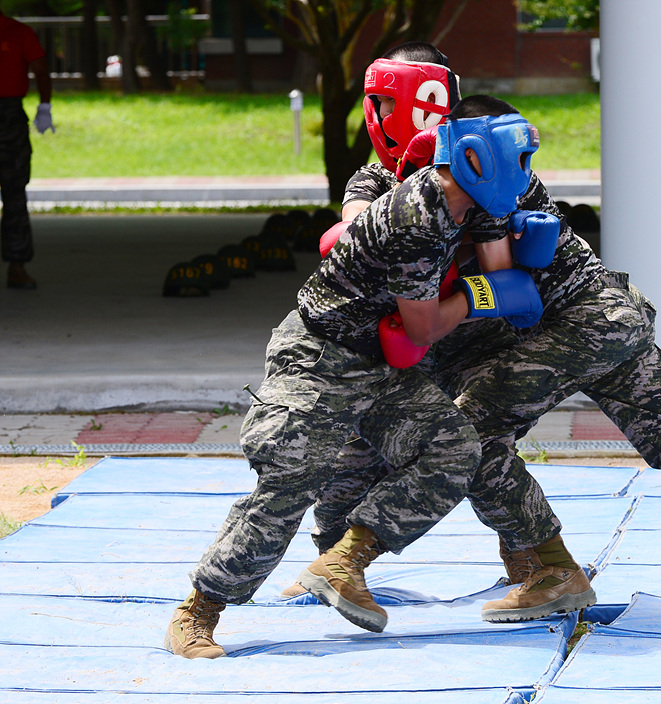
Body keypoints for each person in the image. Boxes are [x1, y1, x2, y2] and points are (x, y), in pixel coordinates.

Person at [311, 49, 661, 623]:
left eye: (385, 100)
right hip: (606, 320)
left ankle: (544, 570)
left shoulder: (488, 161)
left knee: (470, 438)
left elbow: (503, 266)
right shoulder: (380, 180)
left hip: (572, 323)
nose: (377, 113)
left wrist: (466, 287)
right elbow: (364, 229)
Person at [164, 95, 546, 659]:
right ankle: (198, 610)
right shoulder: (415, 217)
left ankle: (344, 564)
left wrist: (509, 276)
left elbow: (499, 271)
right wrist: (481, 297)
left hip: (382, 362)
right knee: (290, 481)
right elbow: (423, 327)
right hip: (322, 355)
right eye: (516, 159)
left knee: (454, 448)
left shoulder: (480, 198)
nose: (524, 175)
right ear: (474, 158)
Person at [0, 7, 53, 290]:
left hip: (8, 115)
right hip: (9, 115)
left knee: (14, 190)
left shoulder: (18, 32)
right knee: (14, 192)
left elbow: (41, 70)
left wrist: (44, 106)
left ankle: (17, 265)